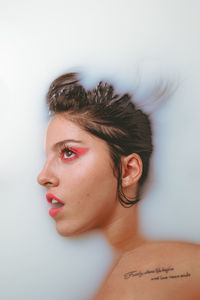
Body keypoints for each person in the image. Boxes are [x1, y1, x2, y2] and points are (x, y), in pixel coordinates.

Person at [37, 72, 200, 300]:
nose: (42, 176)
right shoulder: (119, 267)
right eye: (47, 157)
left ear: (128, 170)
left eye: (68, 152)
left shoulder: (153, 268)